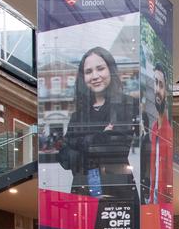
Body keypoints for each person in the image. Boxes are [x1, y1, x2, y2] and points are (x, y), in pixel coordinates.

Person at [58, 46, 137, 200]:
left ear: (110, 70)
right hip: (83, 190)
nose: (95, 76)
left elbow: (114, 147)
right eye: (88, 72)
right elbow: (64, 158)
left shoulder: (127, 104)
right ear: (83, 77)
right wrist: (100, 136)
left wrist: (79, 143)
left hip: (116, 188)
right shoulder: (78, 116)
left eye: (100, 69)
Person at [142, 64, 172, 205]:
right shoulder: (154, 128)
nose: (157, 90)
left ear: (166, 90)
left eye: (161, 85)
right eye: (156, 83)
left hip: (163, 205)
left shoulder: (170, 131)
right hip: (153, 202)